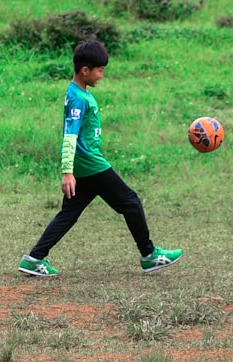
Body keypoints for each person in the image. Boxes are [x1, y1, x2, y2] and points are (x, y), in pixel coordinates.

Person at [18, 40, 183, 276]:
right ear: (85, 70)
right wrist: (67, 172)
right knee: (131, 202)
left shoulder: (78, 92)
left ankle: (34, 259)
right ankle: (149, 255)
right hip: (90, 163)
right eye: (100, 70)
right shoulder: (78, 99)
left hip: (84, 166)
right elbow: (69, 135)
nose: (102, 75)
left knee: (69, 214)